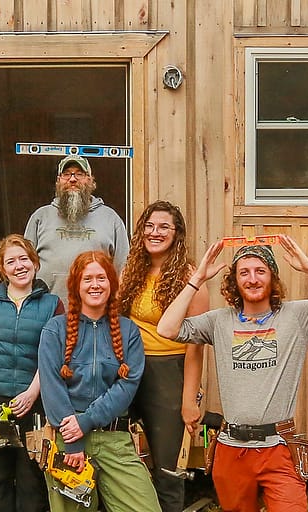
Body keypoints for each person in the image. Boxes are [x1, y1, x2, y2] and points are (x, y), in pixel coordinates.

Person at [157, 235, 308, 512]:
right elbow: (166, 329)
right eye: (244, 272)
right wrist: (198, 279)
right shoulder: (218, 321)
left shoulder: (298, 317)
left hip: (279, 447)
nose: (252, 279)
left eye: (260, 271)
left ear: (272, 277)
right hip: (230, 448)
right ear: (234, 281)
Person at [38, 250, 162, 512]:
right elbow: (52, 388)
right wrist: (73, 442)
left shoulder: (128, 331)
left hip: (114, 439)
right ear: (75, 286)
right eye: (87, 279)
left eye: (101, 278)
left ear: (111, 284)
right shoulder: (54, 330)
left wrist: (86, 421)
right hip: (68, 441)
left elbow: (127, 387)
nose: (95, 285)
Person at [116, 201, 210, 512]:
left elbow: (196, 345)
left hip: (169, 372)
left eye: (164, 227)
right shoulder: (132, 270)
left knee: (167, 466)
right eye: (150, 226)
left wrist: (188, 400)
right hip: (130, 368)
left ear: (177, 234)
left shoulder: (189, 278)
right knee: (122, 455)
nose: (155, 233)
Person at [0, 234, 64, 512]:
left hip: (34, 405)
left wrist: (32, 393)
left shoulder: (52, 304)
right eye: (11, 261)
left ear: (34, 262)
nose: (18, 266)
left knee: (32, 480)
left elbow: (53, 354)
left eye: (24, 259)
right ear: (2, 268)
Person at [24, 155, 130, 304]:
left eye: (80, 174)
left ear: (91, 181)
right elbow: (25, 265)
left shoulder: (111, 218)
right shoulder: (40, 217)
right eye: (66, 174)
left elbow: (123, 270)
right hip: (46, 310)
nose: (72, 179)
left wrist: (115, 308)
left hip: (95, 314)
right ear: (58, 181)